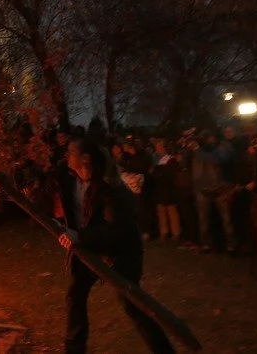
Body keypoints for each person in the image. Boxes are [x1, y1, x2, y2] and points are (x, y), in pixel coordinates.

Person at [56, 137, 174, 354]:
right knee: (75, 295)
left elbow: (116, 231)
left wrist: (79, 236)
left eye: (71, 152)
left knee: (132, 304)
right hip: (89, 249)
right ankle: (74, 349)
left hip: (121, 252)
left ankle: (164, 351)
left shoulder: (111, 187)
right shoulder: (70, 180)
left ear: (85, 158)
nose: (67, 155)